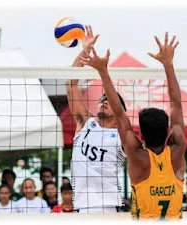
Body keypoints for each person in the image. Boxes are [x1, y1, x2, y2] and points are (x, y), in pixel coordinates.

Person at [79, 32, 186, 220]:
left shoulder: (138, 158)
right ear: (168, 132)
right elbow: (176, 104)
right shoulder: (177, 152)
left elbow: (119, 113)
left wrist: (103, 71)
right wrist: (168, 64)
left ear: (141, 135)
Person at [66, 25, 126, 213]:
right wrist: (84, 51)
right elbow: (70, 82)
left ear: (118, 112)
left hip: (108, 206)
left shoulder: (123, 136)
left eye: (108, 100)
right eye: (102, 99)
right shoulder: (86, 123)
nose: (103, 101)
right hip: (81, 206)